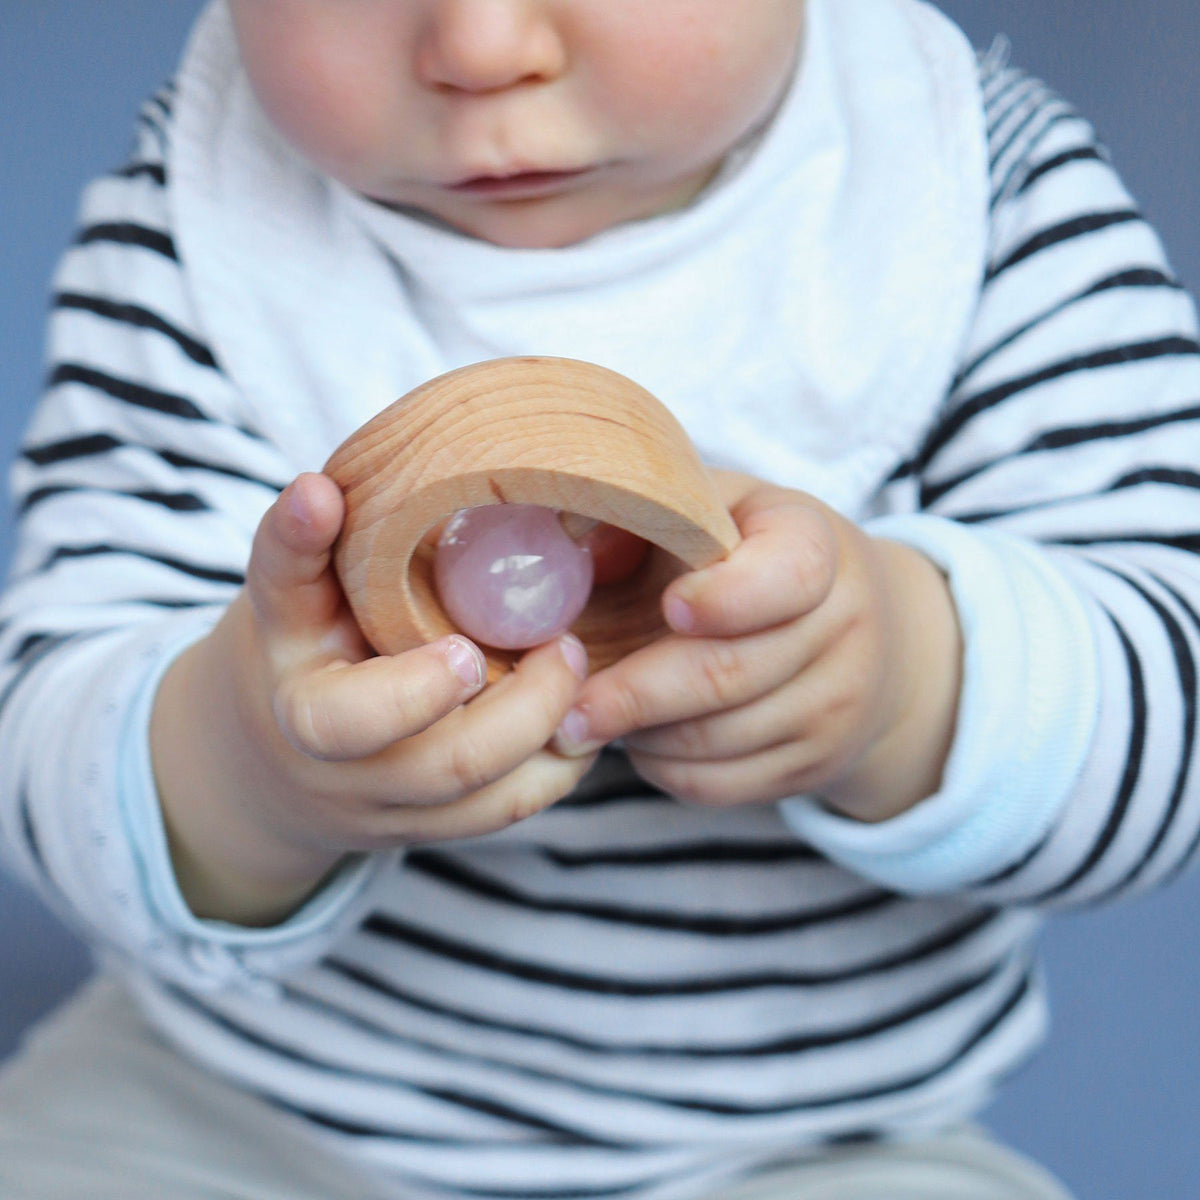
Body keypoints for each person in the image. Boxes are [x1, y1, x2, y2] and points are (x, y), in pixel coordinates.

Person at [0, 0, 1196, 1196]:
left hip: (809, 1150)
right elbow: (46, 738)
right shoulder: (205, 216)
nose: (481, 48)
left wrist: (907, 682)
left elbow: (1170, 735)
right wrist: (241, 766)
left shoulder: (968, 189)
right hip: (231, 1109)